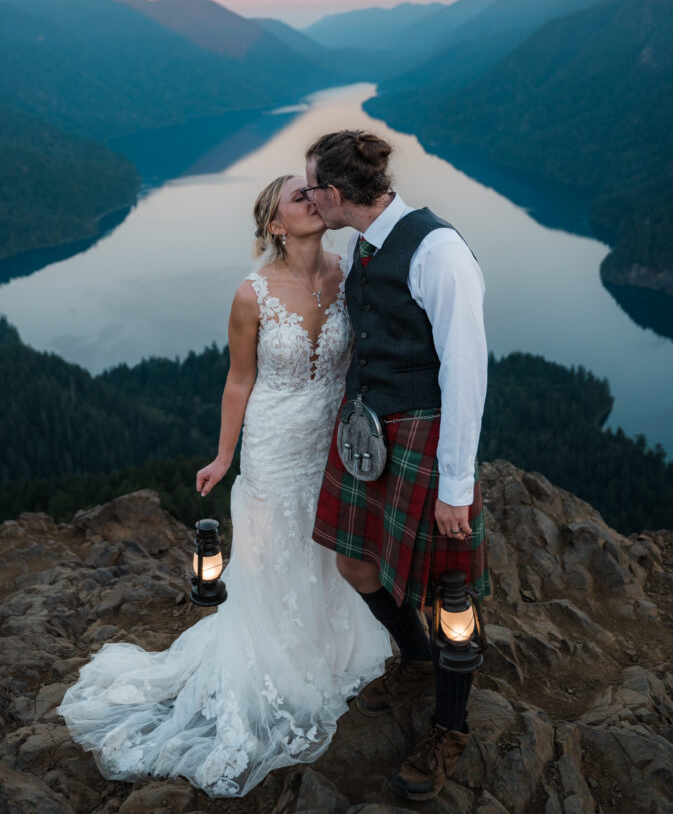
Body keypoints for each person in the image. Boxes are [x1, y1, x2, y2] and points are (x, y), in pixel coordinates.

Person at [58, 174, 391, 798]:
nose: (313, 199)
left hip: (332, 440)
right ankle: (278, 665)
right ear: (274, 224)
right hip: (274, 442)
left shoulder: (351, 272)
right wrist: (223, 455)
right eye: (299, 196)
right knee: (274, 548)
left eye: (315, 191)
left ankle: (329, 642)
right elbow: (239, 381)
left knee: (328, 544)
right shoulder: (251, 294)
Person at [304, 130, 490, 803]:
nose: (305, 198)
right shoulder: (364, 242)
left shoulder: (437, 251)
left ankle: (450, 726)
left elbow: (466, 374)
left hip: (423, 438)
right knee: (354, 562)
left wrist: (455, 488)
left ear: (333, 192)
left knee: (451, 600)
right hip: (367, 433)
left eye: (309, 188)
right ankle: (412, 659)